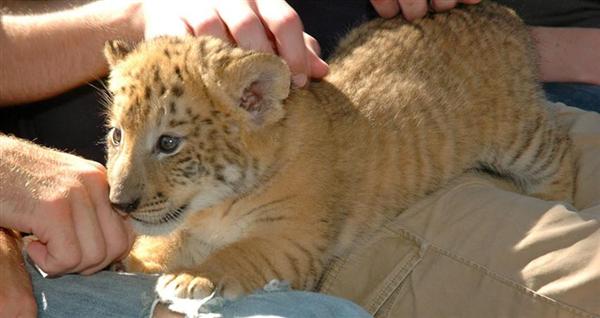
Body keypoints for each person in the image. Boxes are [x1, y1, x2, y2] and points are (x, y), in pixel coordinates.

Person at [1, 0, 598, 317]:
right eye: (119, 137)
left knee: (541, 154)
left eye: (165, 145)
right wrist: (131, 13)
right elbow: (291, 250)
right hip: (382, 216)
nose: (124, 186)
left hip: (433, 82)